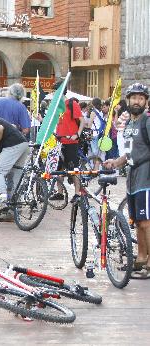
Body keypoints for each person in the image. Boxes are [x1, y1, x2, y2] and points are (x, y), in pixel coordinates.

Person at [104, 83, 150, 277]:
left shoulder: (146, 122)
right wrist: (115, 162)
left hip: (146, 179)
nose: (136, 101)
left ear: (146, 101)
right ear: (128, 100)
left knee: (146, 222)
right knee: (138, 221)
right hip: (133, 178)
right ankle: (140, 259)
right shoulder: (130, 124)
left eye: (141, 98)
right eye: (133, 98)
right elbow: (129, 153)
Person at [50, 80, 84, 203]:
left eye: (55, 91)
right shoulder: (56, 106)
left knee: (73, 168)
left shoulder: (71, 103)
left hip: (71, 141)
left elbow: (82, 120)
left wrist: (77, 134)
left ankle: (77, 193)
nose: (53, 94)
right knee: (58, 168)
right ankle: (60, 192)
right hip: (59, 141)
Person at [89, 97, 107, 169]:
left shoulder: (93, 112)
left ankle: (95, 169)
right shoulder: (100, 112)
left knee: (95, 153)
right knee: (99, 152)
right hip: (100, 133)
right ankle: (97, 168)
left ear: (93, 104)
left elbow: (90, 124)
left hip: (94, 133)